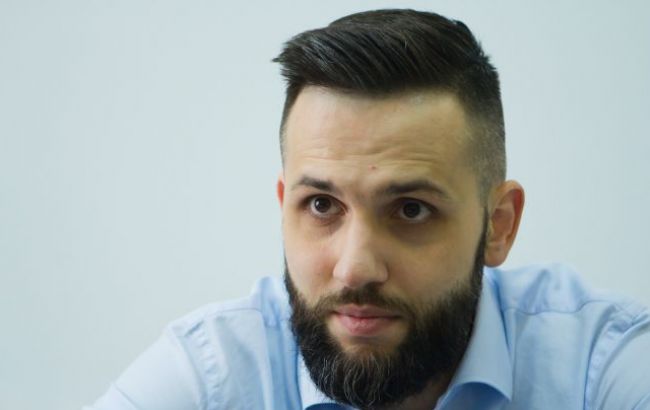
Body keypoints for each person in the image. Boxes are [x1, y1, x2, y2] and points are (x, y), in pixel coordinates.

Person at [86, 9, 650, 410]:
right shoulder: (210, 376)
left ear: (498, 226)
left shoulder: (599, 367)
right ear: (284, 208)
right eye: (322, 205)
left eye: (411, 210)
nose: (355, 268)